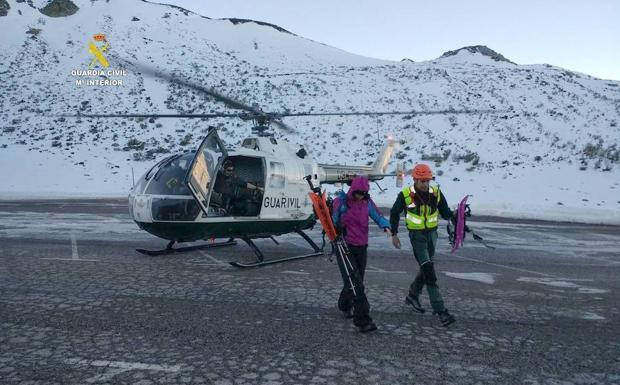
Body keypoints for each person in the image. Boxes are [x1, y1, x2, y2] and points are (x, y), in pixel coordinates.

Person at [389, 163, 457, 326]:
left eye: (427, 181)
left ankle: (413, 295)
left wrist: (457, 215)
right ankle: (441, 311)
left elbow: (446, 213)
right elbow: (394, 213)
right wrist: (394, 234)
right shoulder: (405, 194)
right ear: (415, 180)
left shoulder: (436, 192)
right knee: (429, 271)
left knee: (427, 267)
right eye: (422, 181)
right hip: (417, 237)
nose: (425, 184)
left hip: (432, 235)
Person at [332, 175, 392, 333]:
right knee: (355, 282)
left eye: (363, 193)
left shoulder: (367, 202)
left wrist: (386, 226)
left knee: (356, 280)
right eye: (358, 193)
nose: (360, 196)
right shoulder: (341, 202)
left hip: (361, 246)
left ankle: (344, 305)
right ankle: (362, 319)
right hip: (344, 245)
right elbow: (332, 221)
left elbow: (378, 215)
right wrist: (336, 227)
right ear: (353, 190)